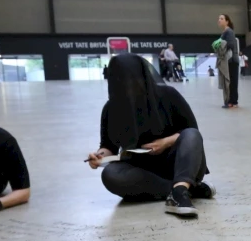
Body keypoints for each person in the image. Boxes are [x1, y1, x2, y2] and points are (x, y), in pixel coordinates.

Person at [86, 53, 212, 216]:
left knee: (192, 135)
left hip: (177, 163)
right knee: (110, 175)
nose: (128, 85)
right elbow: (109, 146)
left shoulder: (168, 95)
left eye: (132, 79)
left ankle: (179, 190)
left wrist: (165, 142)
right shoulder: (111, 109)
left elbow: (191, 132)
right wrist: (99, 157)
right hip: (142, 171)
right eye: (121, 81)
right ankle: (184, 189)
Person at [219, 15, 240, 108]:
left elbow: (230, 44)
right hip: (228, 60)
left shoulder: (229, 31)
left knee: (232, 81)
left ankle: (233, 101)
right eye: (218, 19)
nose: (219, 20)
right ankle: (231, 100)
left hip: (232, 60)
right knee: (229, 81)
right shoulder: (224, 32)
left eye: (221, 18)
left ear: (227, 21)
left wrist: (219, 46)